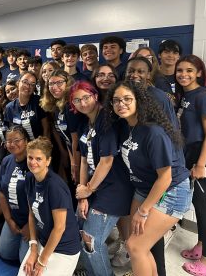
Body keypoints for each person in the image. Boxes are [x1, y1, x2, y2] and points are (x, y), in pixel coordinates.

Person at [105, 81, 191, 276]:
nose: (121, 104)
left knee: (136, 247)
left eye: (127, 99)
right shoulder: (126, 126)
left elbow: (165, 177)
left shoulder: (153, 132)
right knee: (136, 245)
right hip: (144, 187)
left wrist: (143, 211)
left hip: (171, 190)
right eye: (116, 100)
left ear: (139, 101)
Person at [71, 81, 133, 276]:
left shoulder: (106, 120)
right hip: (94, 185)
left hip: (114, 188)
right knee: (80, 231)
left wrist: (88, 190)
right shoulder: (84, 123)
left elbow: (106, 161)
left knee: (91, 238)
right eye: (77, 100)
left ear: (95, 96)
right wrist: (83, 194)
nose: (82, 103)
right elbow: (82, 161)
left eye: (86, 97)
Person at [176, 55, 206, 276]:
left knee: (203, 205)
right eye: (180, 70)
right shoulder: (185, 95)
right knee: (198, 203)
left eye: (189, 70)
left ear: (199, 73)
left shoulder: (203, 97)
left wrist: (199, 165)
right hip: (191, 155)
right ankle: (203, 246)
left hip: (205, 156)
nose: (183, 74)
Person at [18, 136, 81, 276]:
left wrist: (41, 261)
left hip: (64, 249)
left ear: (48, 161)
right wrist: (33, 248)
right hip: (42, 241)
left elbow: (59, 228)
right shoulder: (29, 178)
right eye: (30, 157)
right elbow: (32, 214)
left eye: (38, 159)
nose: (33, 162)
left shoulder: (55, 186)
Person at [0, 126, 31, 263]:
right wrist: (8, 220)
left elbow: (40, 200)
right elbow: (1, 192)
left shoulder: (34, 162)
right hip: (14, 217)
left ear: (27, 141)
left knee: (24, 262)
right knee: (5, 253)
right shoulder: (6, 161)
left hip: (32, 220)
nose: (12, 144)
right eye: (8, 141)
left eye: (17, 140)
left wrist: (30, 225)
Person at [5, 71, 49, 141]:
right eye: (25, 82)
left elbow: (46, 129)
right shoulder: (9, 107)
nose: (28, 86)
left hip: (38, 147)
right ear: (18, 83)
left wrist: (43, 148)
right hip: (19, 148)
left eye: (32, 84)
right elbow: (11, 132)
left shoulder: (39, 101)